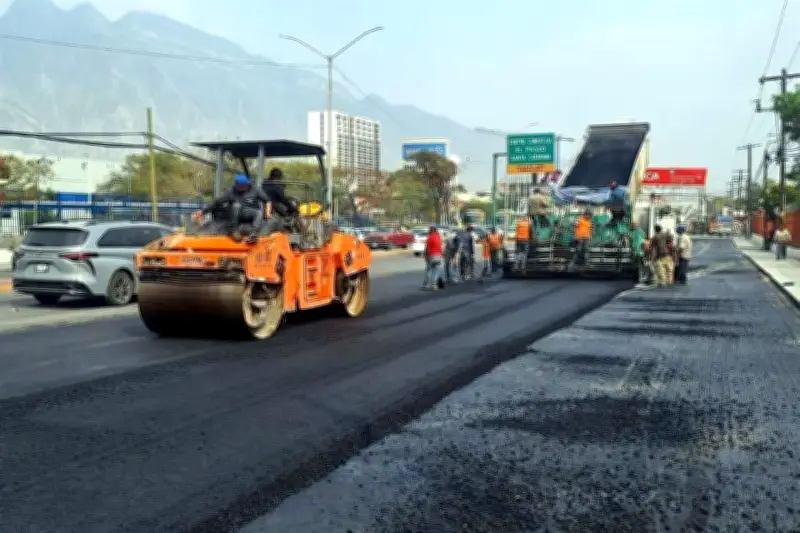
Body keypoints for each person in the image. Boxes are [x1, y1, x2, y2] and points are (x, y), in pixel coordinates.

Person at [193, 174, 270, 242]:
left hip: (249, 212)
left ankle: (253, 234)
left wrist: (268, 213)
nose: (244, 188)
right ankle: (233, 231)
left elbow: (268, 201)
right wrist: (203, 212)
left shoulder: (255, 189)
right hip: (235, 214)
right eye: (241, 186)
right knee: (236, 205)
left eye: (245, 186)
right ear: (236, 185)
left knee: (259, 212)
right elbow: (216, 203)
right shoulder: (230, 192)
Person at [261, 167, 299, 233]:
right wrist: (294, 209)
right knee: (290, 211)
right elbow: (283, 200)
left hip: (264, 204)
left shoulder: (264, 183)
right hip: (272, 206)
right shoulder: (276, 186)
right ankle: (290, 230)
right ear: (279, 177)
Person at [422, 225, 444, 290]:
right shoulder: (439, 237)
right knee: (436, 270)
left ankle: (427, 284)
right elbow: (441, 246)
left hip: (431, 255)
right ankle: (434, 285)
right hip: (438, 255)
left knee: (428, 270)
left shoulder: (430, 237)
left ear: (431, 230)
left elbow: (427, 248)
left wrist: (425, 256)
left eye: (429, 229)